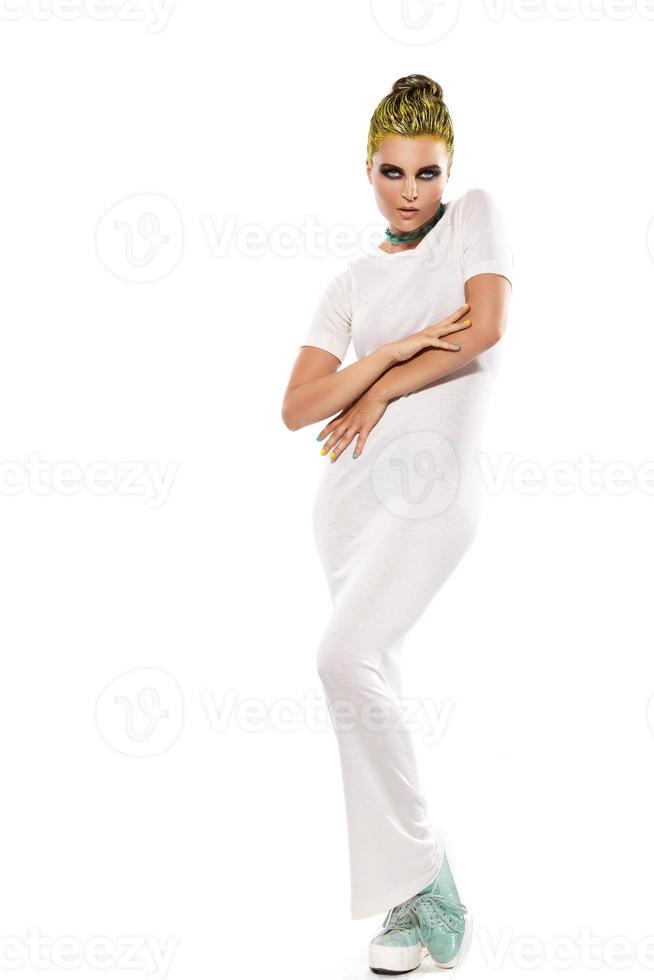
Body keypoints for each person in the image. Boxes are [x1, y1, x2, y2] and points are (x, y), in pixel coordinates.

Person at [281, 73, 513, 974]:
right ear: (366, 169)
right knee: (364, 679)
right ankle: (417, 896)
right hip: (347, 506)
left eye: (427, 171)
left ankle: (430, 877)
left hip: (432, 493)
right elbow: (298, 407)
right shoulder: (349, 280)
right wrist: (386, 350)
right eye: (391, 171)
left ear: (449, 170)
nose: (410, 190)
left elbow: (486, 327)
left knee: (344, 657)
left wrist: (375, 385)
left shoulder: (473, 219)